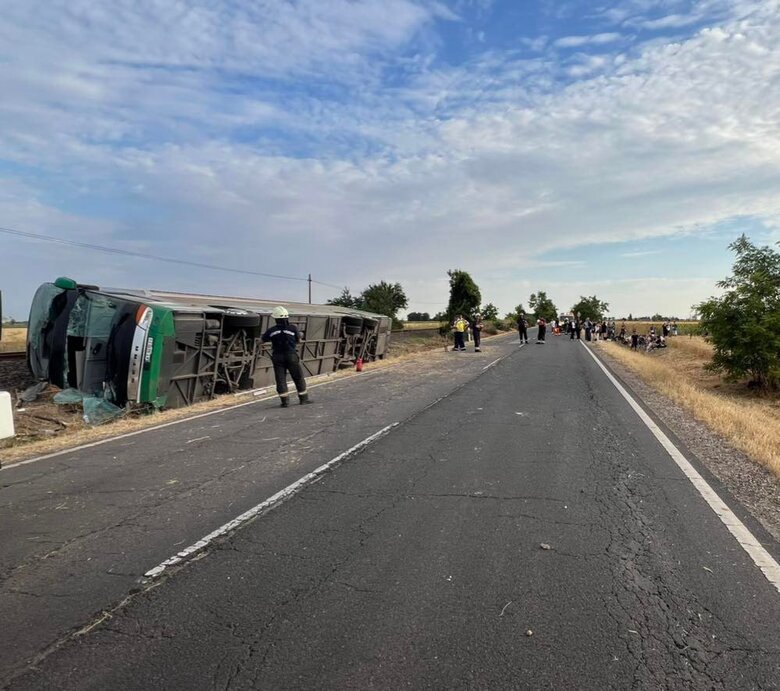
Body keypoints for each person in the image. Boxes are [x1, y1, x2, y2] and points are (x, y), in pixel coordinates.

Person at [262, 306, 311, 407]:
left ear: (275, 319)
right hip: (291, 355)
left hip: (277, 356)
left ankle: (285, 402)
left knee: (280, 379)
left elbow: (261, 341)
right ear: (286, 318)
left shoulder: (271, 330)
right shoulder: (293, 328)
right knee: (298, 377)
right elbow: (299, 340)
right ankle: (303, 399)